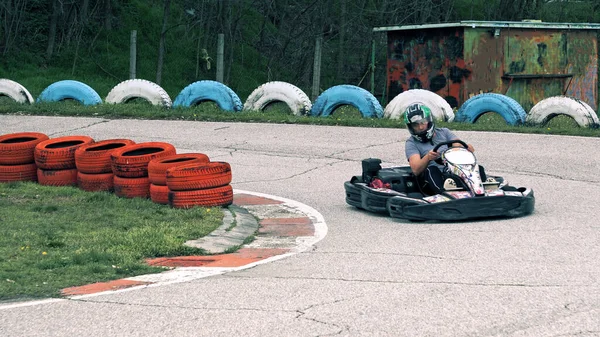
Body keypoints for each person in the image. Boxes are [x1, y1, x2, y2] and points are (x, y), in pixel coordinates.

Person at [403, 103, 486, 194]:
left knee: (478, 168)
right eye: (416, 125)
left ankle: (483, 191)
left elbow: (457, 144)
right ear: (411, 127)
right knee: (431, 170)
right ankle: (444, 193)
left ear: (429, 121)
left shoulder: (444, 132)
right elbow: (416, 170)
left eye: (423, 122)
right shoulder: (411, 143)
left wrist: (466, 148)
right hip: (430, 180)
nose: (421, 127)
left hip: (452, 171)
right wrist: (428, 157)